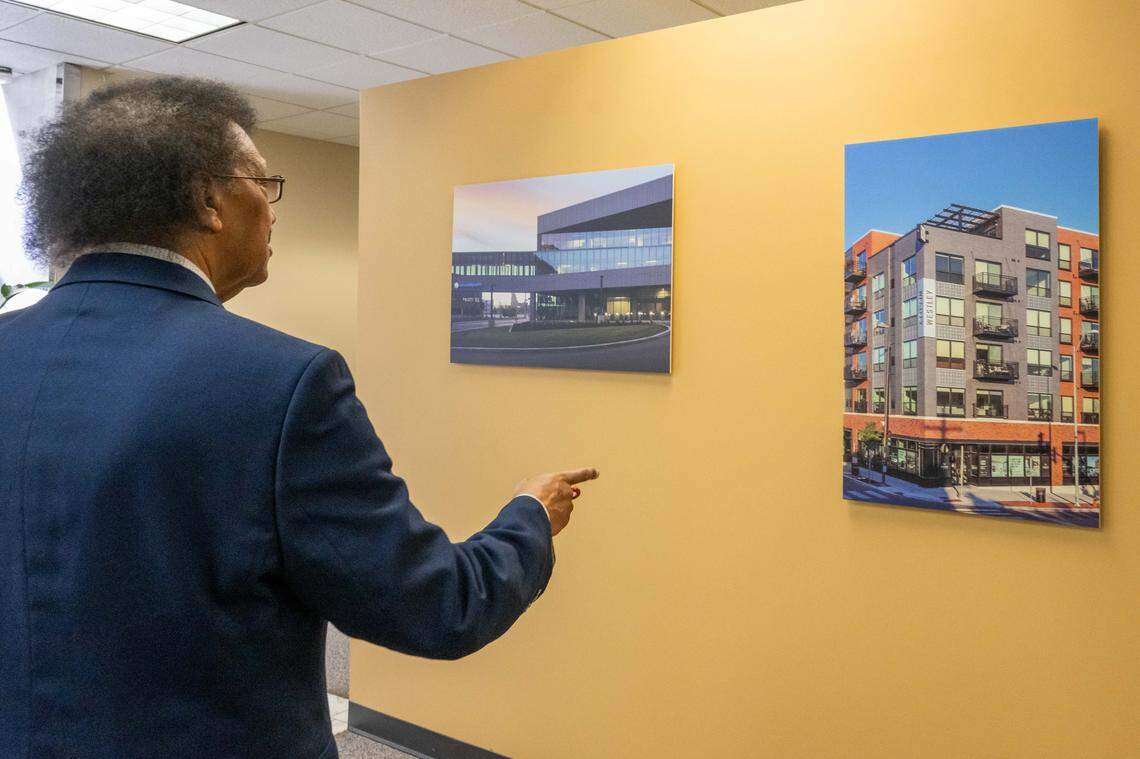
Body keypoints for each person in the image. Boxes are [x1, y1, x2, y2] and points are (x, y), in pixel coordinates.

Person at [0, 76, 598, 759]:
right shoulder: (282, 382)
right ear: (209, 199)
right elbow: (438, 606)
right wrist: (529, 512)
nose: (274, 210)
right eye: (265, 182)